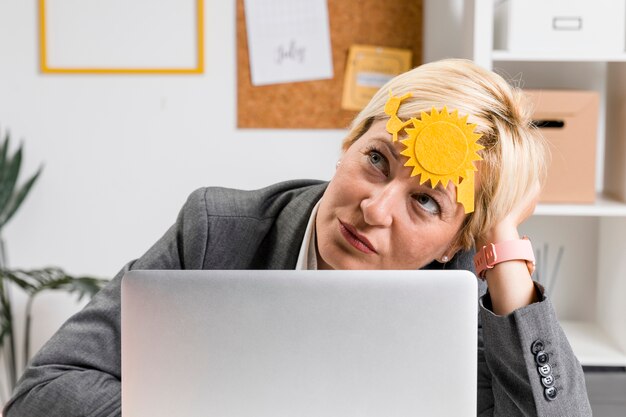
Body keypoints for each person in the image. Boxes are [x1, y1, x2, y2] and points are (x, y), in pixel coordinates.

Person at [3, 58, 592, 416]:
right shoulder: (216, 232)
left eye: (426, 200)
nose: (375, 207)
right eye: (378, 160)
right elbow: (43, 395)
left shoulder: (470, 294)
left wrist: (505, 248)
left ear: (454, 240)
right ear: (348, 143)